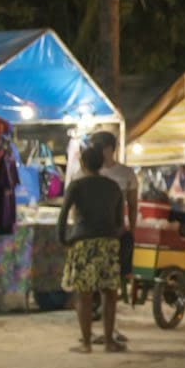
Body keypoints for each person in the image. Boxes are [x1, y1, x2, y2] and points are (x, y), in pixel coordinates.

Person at [58, 145, 126, 354]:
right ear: (102, 163)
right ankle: (108, 341)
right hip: (108, 242)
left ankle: (86, 343)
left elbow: (63, 216)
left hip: (83, 242)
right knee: (110, 294)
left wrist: (64, 240)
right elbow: (119, 222)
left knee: (84, 295)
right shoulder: (113, 187)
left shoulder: (76, 186)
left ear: (82, 163)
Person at [86, 130, 138, 343]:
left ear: (109, 149)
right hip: (90, 234)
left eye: (98, 147)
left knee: (112, 285)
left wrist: (131, 230)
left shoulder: (125, 174)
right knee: (90, 285)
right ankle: (89, 331)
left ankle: (110, 330)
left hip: (115, 234)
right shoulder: (84, 174)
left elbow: (133, 204)